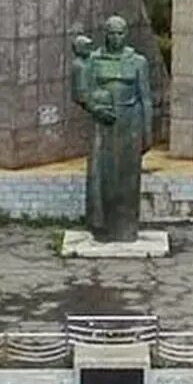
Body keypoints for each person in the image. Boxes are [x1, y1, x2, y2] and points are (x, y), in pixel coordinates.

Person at [71, 16, 151, 241]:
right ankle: (102, 226)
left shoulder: (138, 61)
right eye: (111, 33)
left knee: (128, 176)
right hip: (102, 123)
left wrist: (147, 131)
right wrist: (95, 109)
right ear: (105, 34)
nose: (115, 38)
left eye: (120, 33)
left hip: (130, 121)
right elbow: (81, 92)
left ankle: (126, 227)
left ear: (126, 34)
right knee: (101, 174)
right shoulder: (93, 60)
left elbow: (145, 98)